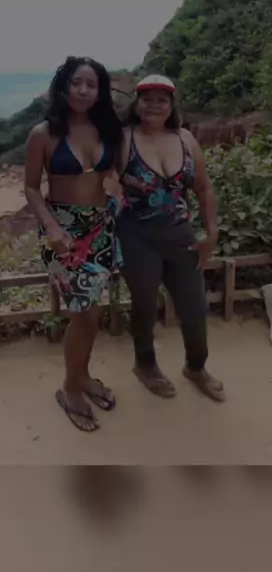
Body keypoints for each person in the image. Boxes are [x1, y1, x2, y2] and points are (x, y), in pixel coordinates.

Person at [24, 57, 123, 431]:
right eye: (77, 83)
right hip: (63, 234)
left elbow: (116, 174)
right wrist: (51, 226)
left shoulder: (107, 130)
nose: (83, 90)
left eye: (91, 84)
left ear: (99, 92)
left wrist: (118, 191)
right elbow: (31, 187)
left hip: (100, 229)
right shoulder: (42, 134)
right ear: (64, 87)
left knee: (91, 313)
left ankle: (81, 377)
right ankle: (69, 387)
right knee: (84, 313)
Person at [116, 74, 225, 402]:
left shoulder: (185, 139)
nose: (153, 105)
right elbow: (99, 181)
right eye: (146, 99)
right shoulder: (122, 139)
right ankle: (145, 364)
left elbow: (203, 187)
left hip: (181, 236)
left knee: (194, 306)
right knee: (145, 305)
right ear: (136, 103)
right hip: (136, 237)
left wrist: (212, 231)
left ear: (171, 105)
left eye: (161, 99)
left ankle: (196, 366)